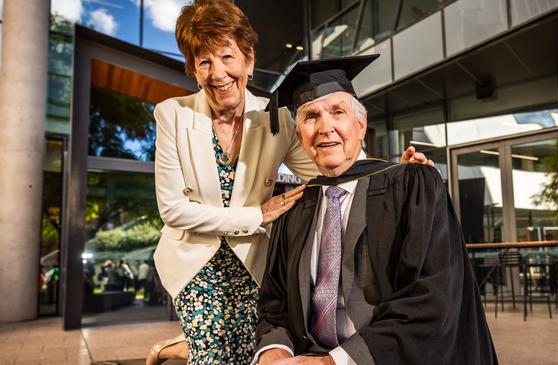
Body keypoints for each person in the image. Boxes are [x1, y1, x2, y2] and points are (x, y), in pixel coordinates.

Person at [148, 1, 431, 364]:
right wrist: (256, 216)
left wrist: (393, 173)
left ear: (248, 61)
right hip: (193, 260)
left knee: (248, 350)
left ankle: (180, 346)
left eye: (227, 57)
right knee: (214, 354)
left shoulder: (274, 118)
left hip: (252, 261)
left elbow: (329, 162)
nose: (218, 73)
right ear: (194, 70)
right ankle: (189, 345)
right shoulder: (172, 114)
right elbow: (172, 210)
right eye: (204, 62)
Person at [254, 55, 497, 364]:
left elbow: (431, 296)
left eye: (337, 112)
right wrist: (275, 353)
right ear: (300, 136)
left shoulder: (409, 188)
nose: (325, 127)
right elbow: (275, 304)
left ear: (361, 125)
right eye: (311, 117)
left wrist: (334, 362)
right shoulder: (295, 209)